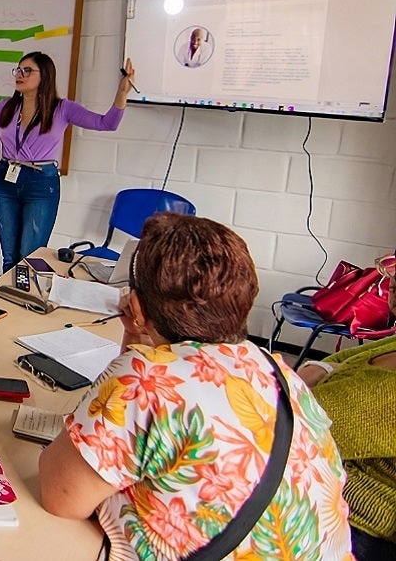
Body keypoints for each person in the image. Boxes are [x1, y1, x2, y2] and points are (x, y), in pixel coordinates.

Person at [39, 213, 352, 560]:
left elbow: (61, 496)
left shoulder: (145, 378)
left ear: (138, 306)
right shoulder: (277, 371)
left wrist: (133, 348)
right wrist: (137, 337)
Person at [0, 52, 134, 273]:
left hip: (41, 184)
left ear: (44, 76)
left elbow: (106, 123)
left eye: (27, 71)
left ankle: (28, 303)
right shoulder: (5, 107)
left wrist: (121, 93)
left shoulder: (62, 109)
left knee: (30, 255)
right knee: (9, 256)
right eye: (18, 70)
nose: (20, 75)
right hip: (5, 181)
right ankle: (11, 302)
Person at [297, 254, 396, 561]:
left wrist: (307, 379)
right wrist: (322, 370)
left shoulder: (382, 395)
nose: (388, 284)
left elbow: (296, 419)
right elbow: (338, 361)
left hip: (361, 524)